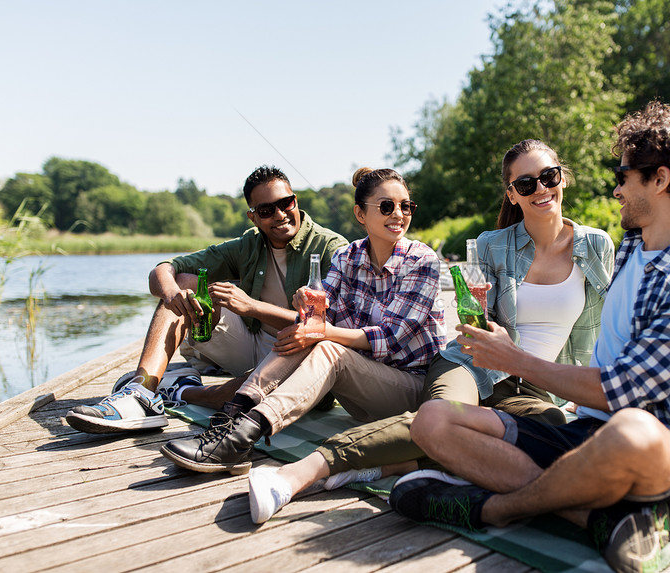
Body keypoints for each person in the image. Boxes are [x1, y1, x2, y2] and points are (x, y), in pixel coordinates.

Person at [388, 101, 670, 573]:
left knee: (631, 430)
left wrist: (515, 360)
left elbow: (622, 392)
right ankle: (593, 516)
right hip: (586, 431)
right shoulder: (636, 246)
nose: (615, 189)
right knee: (433, 421)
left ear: (659, 180)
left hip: (659, 453)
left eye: (624, 175)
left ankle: (490, 509)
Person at [243, 139, 616, 524]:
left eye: (548, 177)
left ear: (562, 179)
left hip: (537, 383)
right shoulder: (490, 244)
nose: (540, 189)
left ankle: (391, 465)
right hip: (474, 362)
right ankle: (298, 473)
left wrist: (577, 390)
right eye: (526, 184)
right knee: (443, 416)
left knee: (553, 429)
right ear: (512, 194)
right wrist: (481, 317)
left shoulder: (596, 245)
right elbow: (473, 320)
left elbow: (598, 327)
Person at [159, 167, 448, 486]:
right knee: (306, 334)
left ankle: (240, 436)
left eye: (405, 206)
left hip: (409, 392)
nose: (398, 214)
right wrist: (306, 306)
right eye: (386, 206)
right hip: (360, 391)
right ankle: (232, 418)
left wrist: (318, 330)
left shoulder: (422, 260)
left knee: (324, 345)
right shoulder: (346, 257)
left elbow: (392, 338)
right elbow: (323, 313)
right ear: (360, 214)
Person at [65, 166, 348, 434]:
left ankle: (179, 389)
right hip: (251, 340)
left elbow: (332, 329)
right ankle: (141, 392)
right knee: (185, 282)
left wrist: (252, 307)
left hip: (299, 351)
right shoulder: (248, 243)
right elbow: (164, 270)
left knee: (240, 396)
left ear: (295, 201)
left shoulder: (331, 248)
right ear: (253, 217)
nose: (279, 215)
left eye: (285, 203)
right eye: (266, 210)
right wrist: (173, 294)